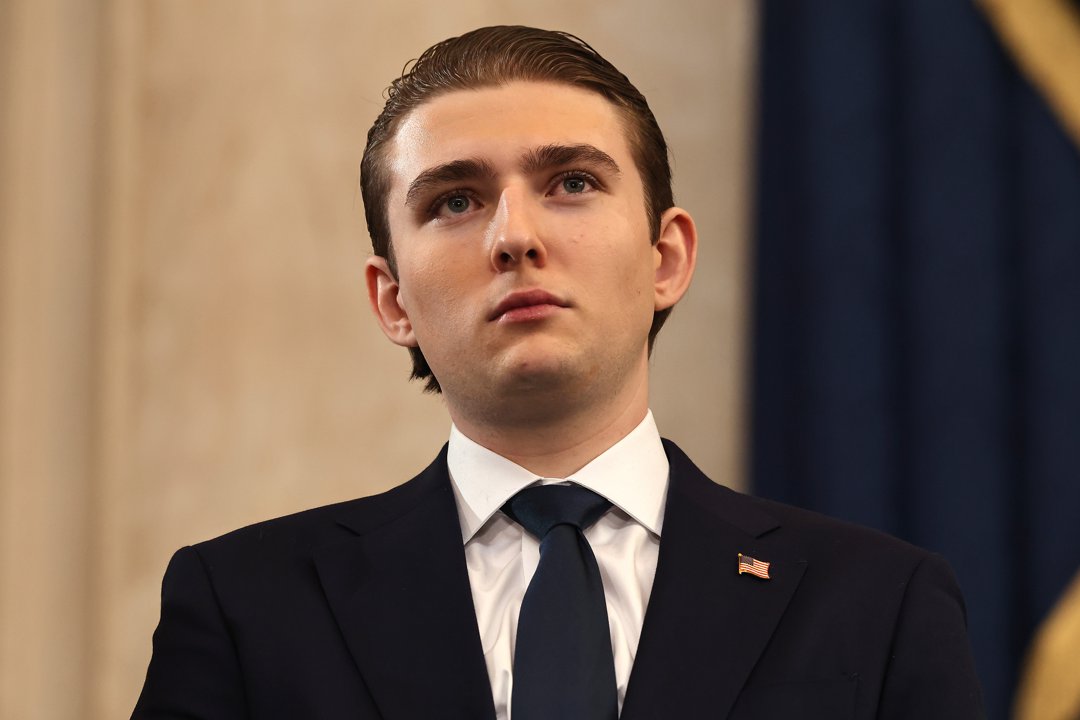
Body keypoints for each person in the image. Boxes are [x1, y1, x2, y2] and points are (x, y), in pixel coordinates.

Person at [132, 26, 985, 719]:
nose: (514, 235)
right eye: (454, 201)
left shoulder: (878, 603)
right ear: (392, 301)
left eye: (571, 182)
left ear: (667, 257)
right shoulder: (247, 606)